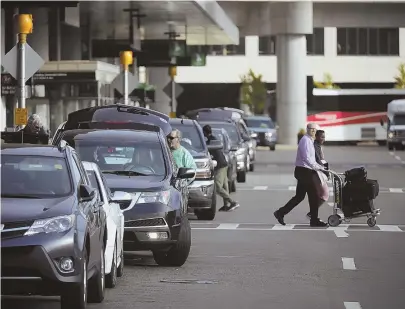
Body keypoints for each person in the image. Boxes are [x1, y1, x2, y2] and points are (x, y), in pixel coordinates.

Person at [273, 123, 328, 227]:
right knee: (314, 195)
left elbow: (312, 158)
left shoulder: (311, 141)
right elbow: (306, 158)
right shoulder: (305, 140)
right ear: (307, 129)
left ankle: (280, 213)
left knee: (299, 196)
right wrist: (317, 167)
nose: (313, 131)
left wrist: (320, 166)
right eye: (311, 129)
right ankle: (314, 220)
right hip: (304, 171)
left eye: (315, 130)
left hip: (306, 171)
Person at [202, 125, 239, 212]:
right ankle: (226, 205)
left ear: (205, 132)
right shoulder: (213, 139)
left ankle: (232, 202)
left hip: (220, 166)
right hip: (223, 164)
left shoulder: (211, 141)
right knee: (224, 186)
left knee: (218, 187)